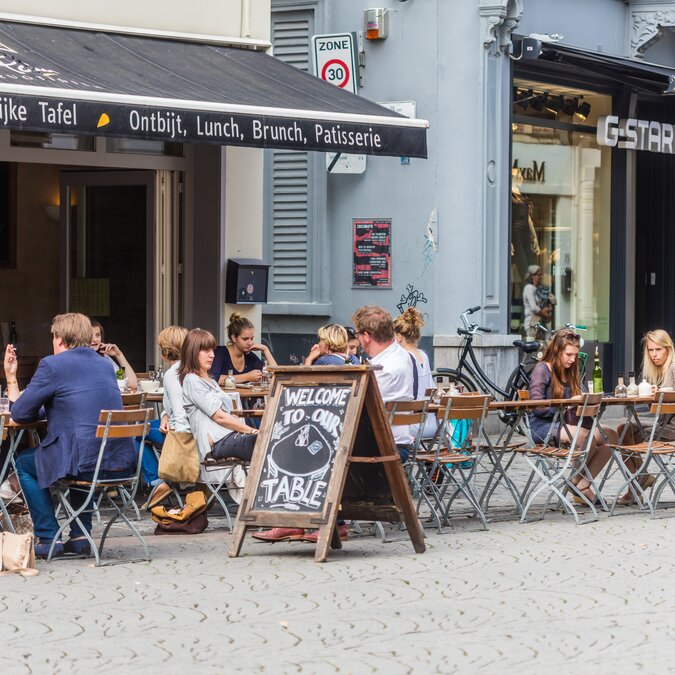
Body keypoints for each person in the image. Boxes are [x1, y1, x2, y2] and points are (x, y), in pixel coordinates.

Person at [4, 313, 136, 558]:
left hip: (82, 462)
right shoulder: (104, 363)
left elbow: (21, 413)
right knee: (80, 449)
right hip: (118, 460)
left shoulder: (53, 364)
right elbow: (67, 402)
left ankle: (49, 536)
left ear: (60, 339)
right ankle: (80, 535)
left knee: (24, 463)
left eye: (53, 337)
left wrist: (11, 378)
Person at [528, 329, 617, 504]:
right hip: (542, 426)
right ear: (556, 351)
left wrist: (589, 399)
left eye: (575, 355)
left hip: (569, 424)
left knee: (611, 436)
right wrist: (567, 403)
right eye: (569, 355)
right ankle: (575, 482)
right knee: (586, 437)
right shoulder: (542, 369)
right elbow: (536, 407)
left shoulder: (570, 370)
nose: (573, 359)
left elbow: (580, 394)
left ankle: (580, 483)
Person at [180, 329, 259, 469]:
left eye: (212, 350)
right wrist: (251, 430)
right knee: (262, 442)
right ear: (192, 352)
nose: (212, 355)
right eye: (205, 351)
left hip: (229, 436)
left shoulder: (210, 380)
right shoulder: (192, 380)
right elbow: (219, 417)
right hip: (217, 443)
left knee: (271, 440)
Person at [613, 330, 671, 504]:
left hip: (671, 429)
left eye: (658, 350)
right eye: (650, 350)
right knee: (624, 429)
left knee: (624, 432)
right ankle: (641, 478)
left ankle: (636, 485)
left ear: (668, 349)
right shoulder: (661, 371)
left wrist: (662, 392)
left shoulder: (673, 367)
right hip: (663, 424)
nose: (654, 354)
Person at [353, 305, 415, 461]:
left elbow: (359, 408)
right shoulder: (403, 356)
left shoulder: (383, 369)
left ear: (366, 336)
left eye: (358, 335)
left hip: (383, 447)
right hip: (400, 442)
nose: (359, 340)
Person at [140, 325, 189, 510]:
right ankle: (160, 480)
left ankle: (157, 483)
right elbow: (175, 405)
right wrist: (164, 416)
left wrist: (174, 431)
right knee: (141, 430)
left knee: (135, 431)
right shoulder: (191, 368)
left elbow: (180, 410)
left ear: (166, 351)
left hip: (181, 435)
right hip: (187, 428)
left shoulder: (172, 374)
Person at [393, 307, 436, 439]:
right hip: (431, 423)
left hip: (410, 425)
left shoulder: (403, 357)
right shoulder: (423, 355)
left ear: (399, 336)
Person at [211, 313, 277, 386]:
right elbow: (213, 378)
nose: (250, 343)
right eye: (245, 339)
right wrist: (247, 377)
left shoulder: (249, 355)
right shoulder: (221, 352)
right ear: (234, 338)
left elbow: (276, 375)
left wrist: (265, 349)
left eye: (251, 338)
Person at [90, 319, 138, 392]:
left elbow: (132, 384)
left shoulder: (105, 357)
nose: (95, 339)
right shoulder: (77, 359)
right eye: (90, 336)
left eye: (97, 335)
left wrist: (119, 355)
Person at [522, 265, 555, 339]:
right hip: (532, 322)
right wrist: (546, 314)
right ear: (532, 276)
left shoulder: (539, 289)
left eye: (541, 274)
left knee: (548, 341)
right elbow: (534, 308)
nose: (541, 277)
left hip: (541, 321)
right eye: (538, 274)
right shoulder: (529, 288)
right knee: (534, 345)